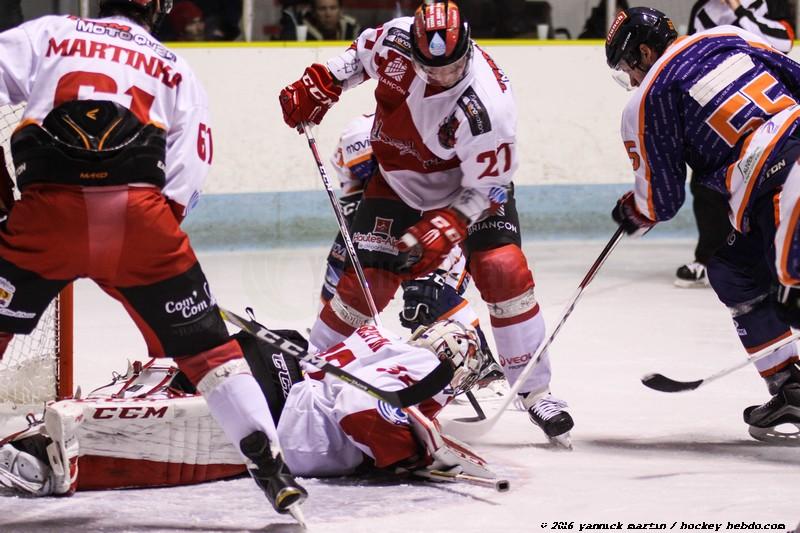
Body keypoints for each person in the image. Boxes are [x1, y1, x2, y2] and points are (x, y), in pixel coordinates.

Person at [0, 0, 306, 521]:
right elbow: (192, 163)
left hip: (44, 216)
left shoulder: (52, 31)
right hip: (139, 221)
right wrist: (154, 250)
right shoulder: (173, 65)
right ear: (160, 8)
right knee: (210, 353)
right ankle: (271, 465)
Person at [278, 0, 574, 447]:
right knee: (365, 284)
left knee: (503, 269)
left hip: (468, 192)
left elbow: (492, 188)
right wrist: (323, 81)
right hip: (396, 181)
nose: (443, 76)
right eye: (430, 67)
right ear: (414, 49)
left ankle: (536, 393)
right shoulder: (396, 38)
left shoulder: (488, 106)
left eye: (452, 66)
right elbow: (359, 55)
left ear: (467, 46)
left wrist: (448, 225)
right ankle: (312, 369)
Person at [0, 320, 495, 495]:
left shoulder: (382, 339)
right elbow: (357, 408)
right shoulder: (424, 365)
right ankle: (49, 458)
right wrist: (410, 454)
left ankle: (34, 441)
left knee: (162, 394)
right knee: (174, 446)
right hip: (281, 415)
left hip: (272, 362)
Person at [606, 7, 800, 442]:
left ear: (643, 53)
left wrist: (633, 212)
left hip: (775, 184)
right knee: (731, 267)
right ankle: (791, 388)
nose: (631, 80)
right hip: (788, 159)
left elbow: (662, 200)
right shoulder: (727, 35)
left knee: (788, 287)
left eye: (626, 68)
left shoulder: (649, 96)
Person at [321, 113, 507, 400]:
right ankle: (331, 352)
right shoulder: (357, 139)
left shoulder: (433, 140)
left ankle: (484, 365)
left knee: (427, 296)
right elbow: (352, 194)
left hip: (436, 223)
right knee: (343, 274)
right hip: (382, 214)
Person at [676, 0, 795, 288]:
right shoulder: (702, 9)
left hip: (764, 101)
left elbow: (783, 43)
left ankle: (774, 261)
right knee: (706, 184)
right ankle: (709, 259)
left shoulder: (772, 3)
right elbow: (688, 56)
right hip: (717, 111)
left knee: (773, 186)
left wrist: (738, 8)